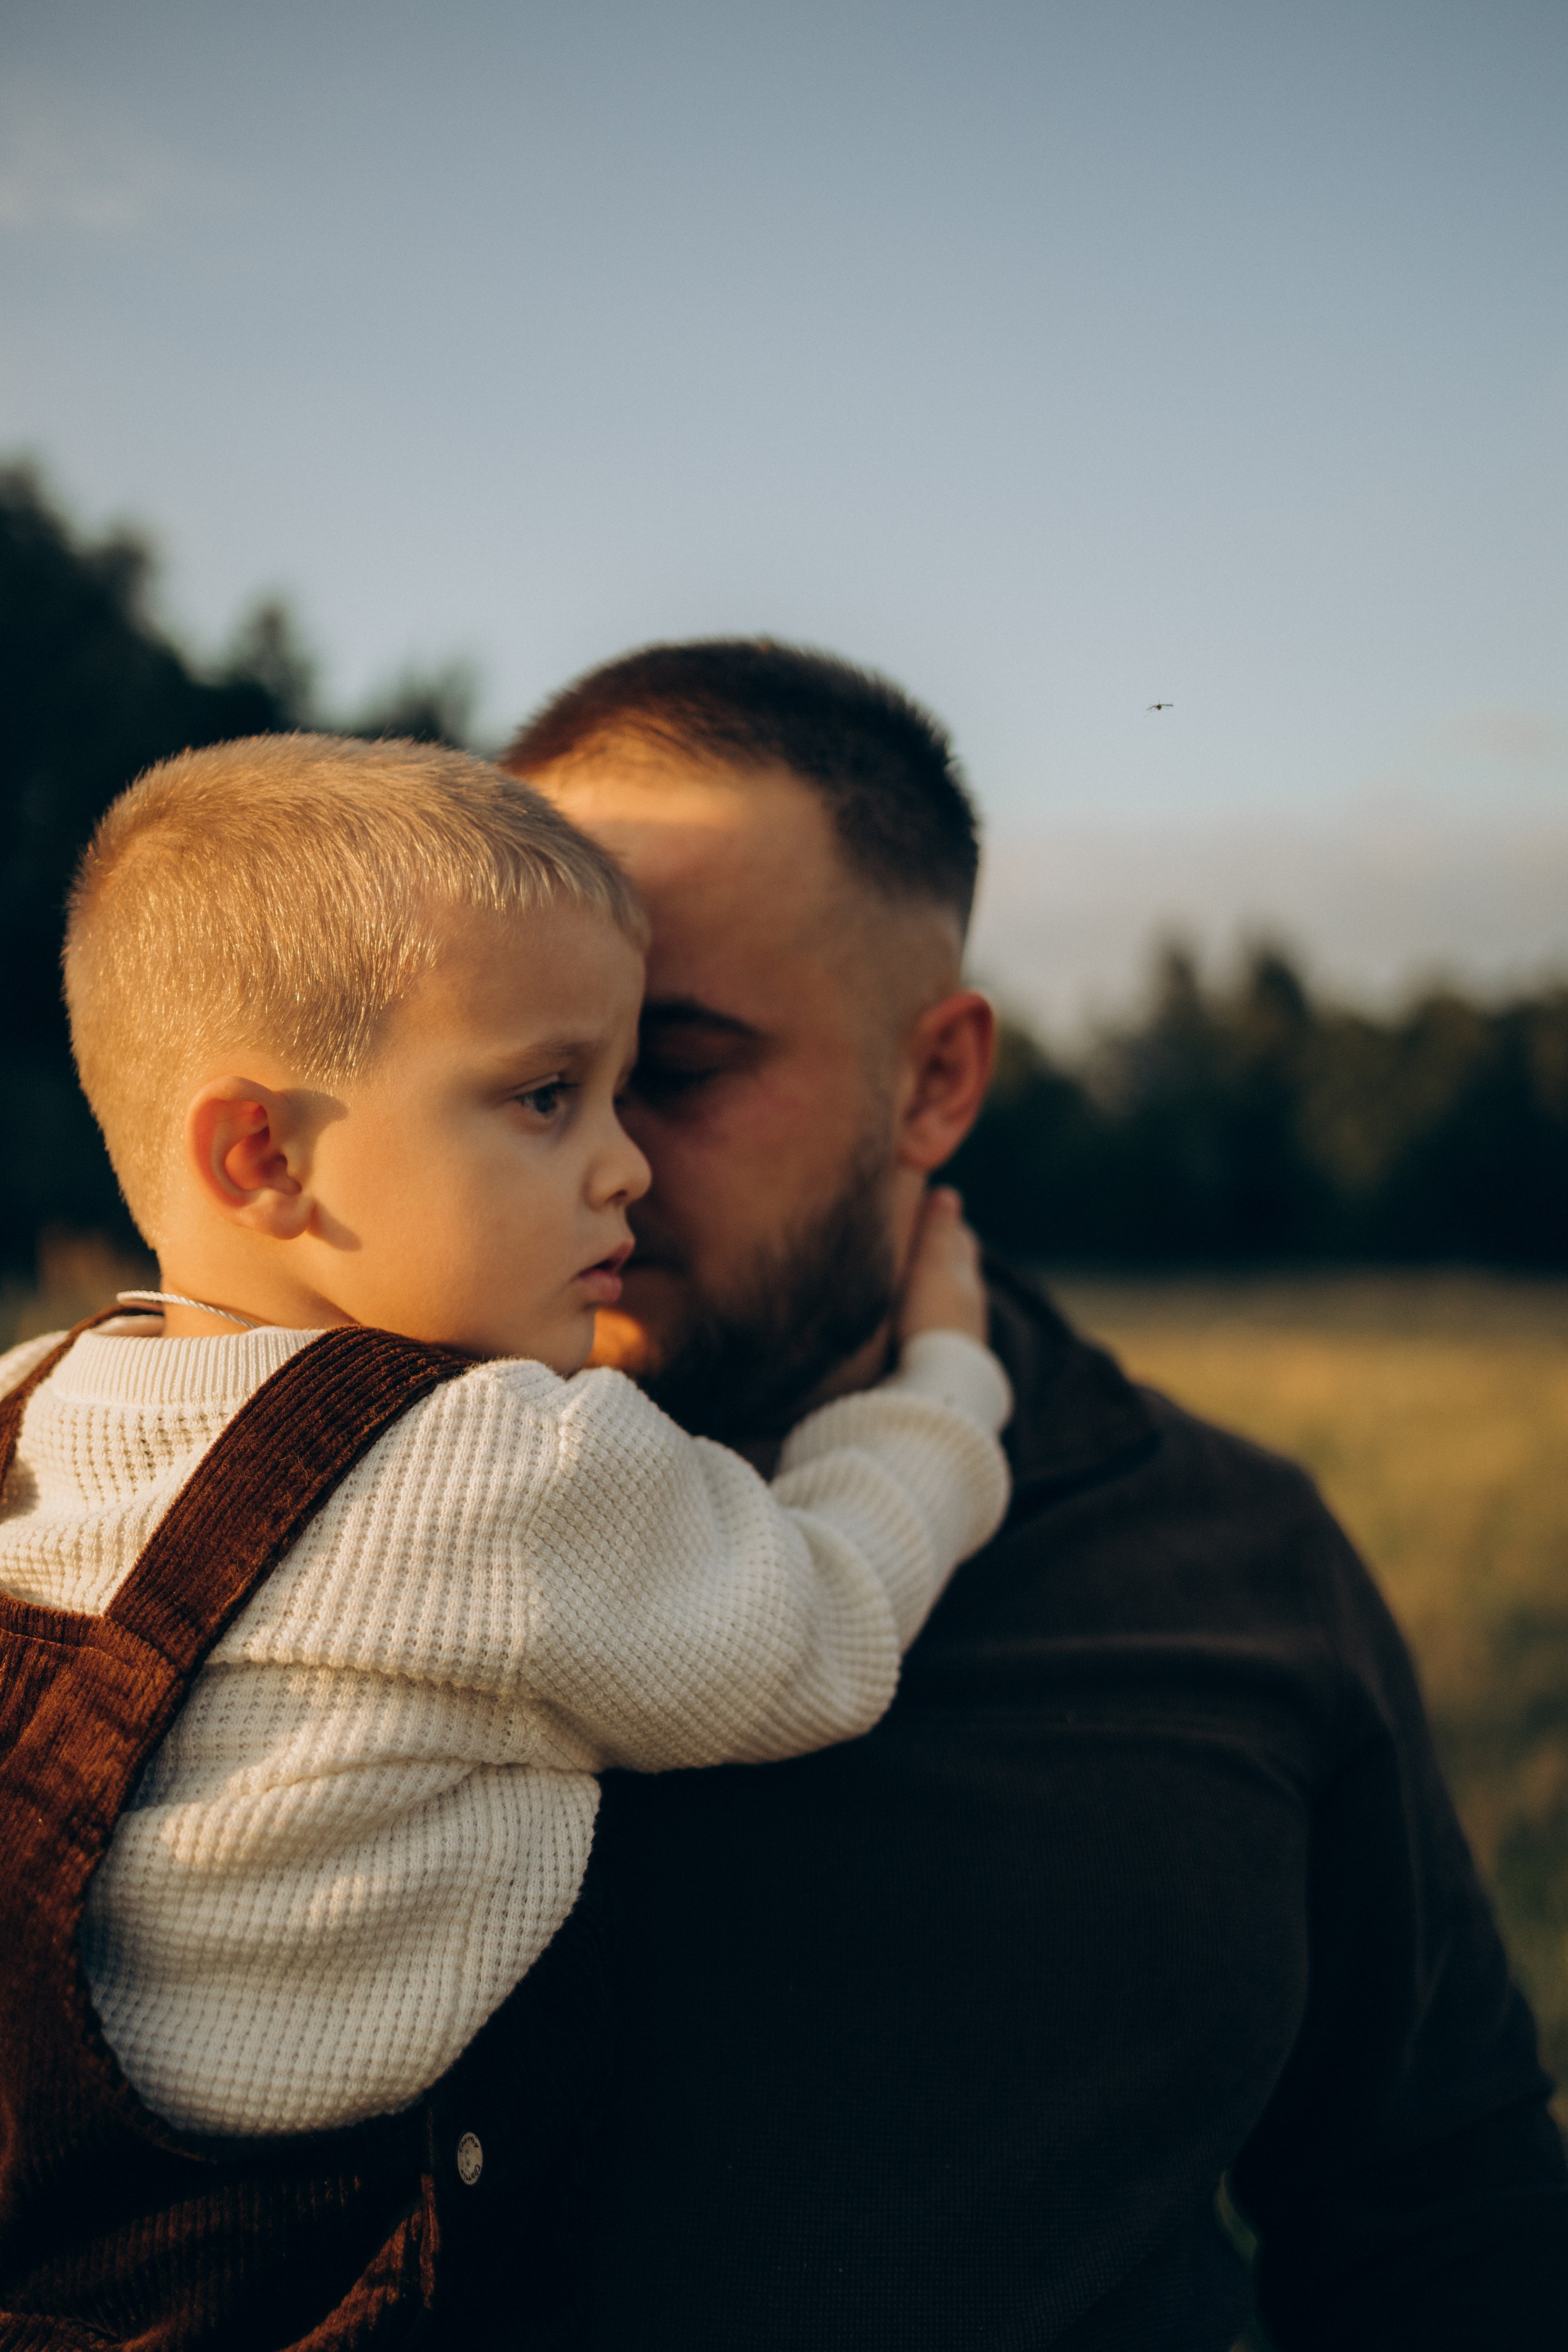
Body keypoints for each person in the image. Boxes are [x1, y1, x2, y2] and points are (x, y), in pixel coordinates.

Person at [506, 638, 1568, 2351]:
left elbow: (1439, 2211)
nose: (597, 1160)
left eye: (677, 1069)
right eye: (536, 1078)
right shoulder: (261, 1506)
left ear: (935, 1080)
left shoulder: (1227, 1568)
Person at [0, 731, 1014, 2348]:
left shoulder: (29, 1407)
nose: (628, 1163)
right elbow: (828, 1622)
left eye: (628, 1088)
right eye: (548, 1096)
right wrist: (948, 1384)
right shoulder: (506, 1467)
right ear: (262, 1156)